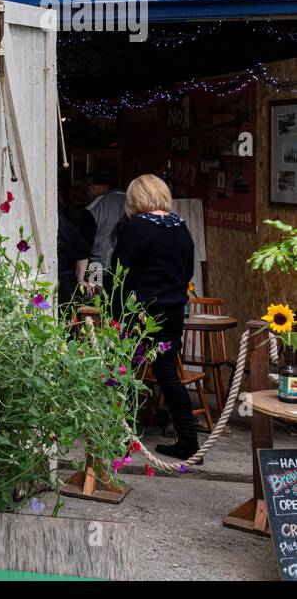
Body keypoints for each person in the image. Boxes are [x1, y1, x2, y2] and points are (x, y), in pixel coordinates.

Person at [109, 174, 197, 461]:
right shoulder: (181, 228)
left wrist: (114, 311)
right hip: (172, 314)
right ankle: (189, 441)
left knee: (125, 374)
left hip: (139, 314)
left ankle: (123, 437)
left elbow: (120, 273)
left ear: (136, 198)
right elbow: (187, 273)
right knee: (168, 375)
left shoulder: (136, 228)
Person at [80, 173, 126, 293]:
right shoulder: (131, 199)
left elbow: (84, 246)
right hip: (126, 267)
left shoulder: (92, 209)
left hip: (97, 266)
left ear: (92, 188)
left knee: (95, 304)